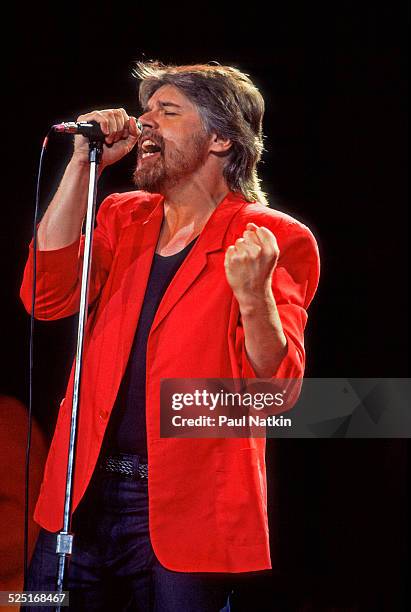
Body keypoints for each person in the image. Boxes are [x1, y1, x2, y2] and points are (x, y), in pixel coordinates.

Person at [19, 61, 320, 611]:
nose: (142, 122)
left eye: (167, 111)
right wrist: (82, 166)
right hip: (79, 494)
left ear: (222, 138)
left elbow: (278, 394)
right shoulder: (121, 214)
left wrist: (254, 298)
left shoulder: (272, 236)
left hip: (186, 505)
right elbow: (44, 296)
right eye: (146, 109)